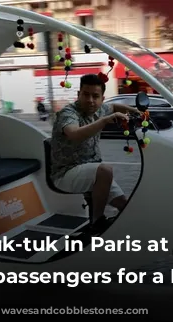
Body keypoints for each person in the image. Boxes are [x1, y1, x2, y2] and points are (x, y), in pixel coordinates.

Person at [50, 74, 141, 231]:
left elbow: (114, 107)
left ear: (102, 98)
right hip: (65, 173)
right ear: (78, 94)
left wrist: (135, 111)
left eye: (95, 96)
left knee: (125, 207)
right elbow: (74, 133)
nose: (90, 100)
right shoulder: (69, 113)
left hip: (90, 170)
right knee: (105, 170)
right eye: (86, 94)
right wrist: (105, 121)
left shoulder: (101, 108)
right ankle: (97, 221)